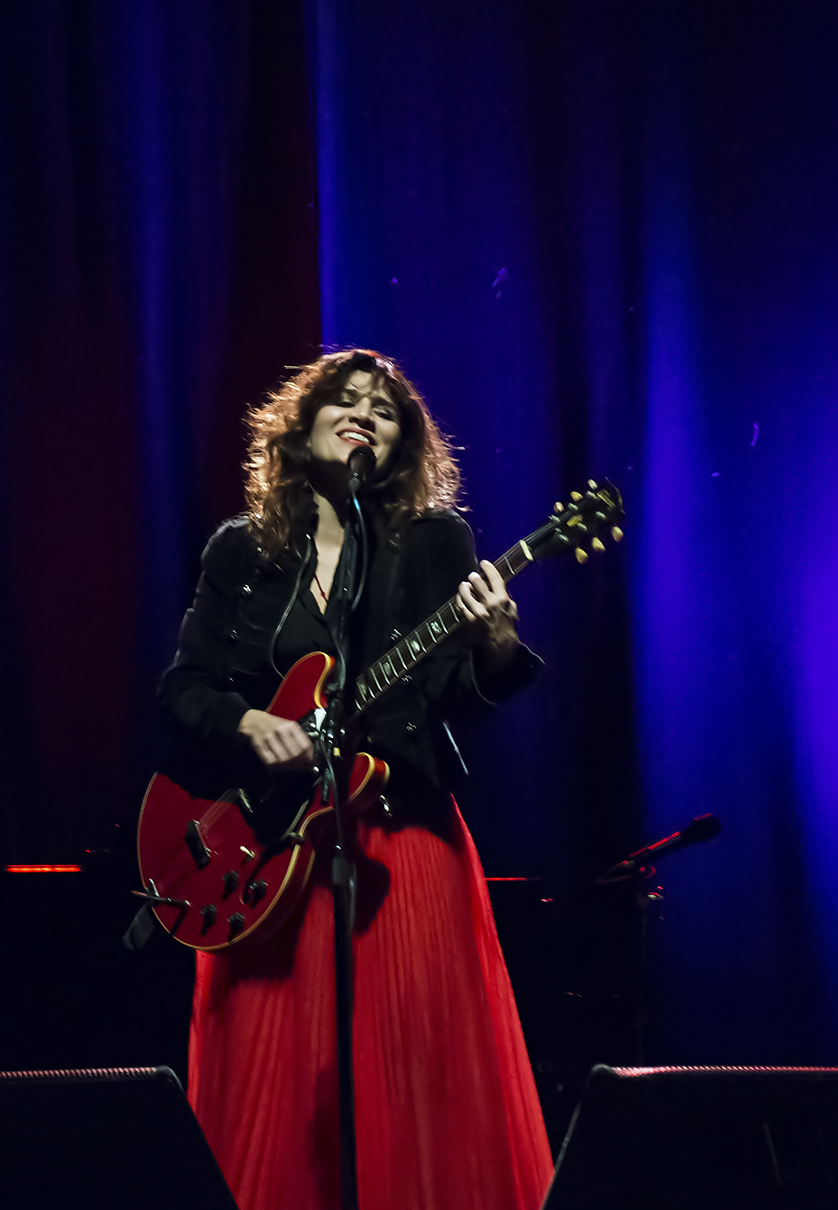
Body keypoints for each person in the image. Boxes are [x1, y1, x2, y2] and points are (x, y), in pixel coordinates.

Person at [157, 348, 554, 1210]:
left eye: (383, 407)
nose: (363, 413)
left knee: (415, 1068)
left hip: (397, 838)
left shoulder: (435, 542)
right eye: (344, 398)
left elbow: (450, 695)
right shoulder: (241, 550)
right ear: (300, 427)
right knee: (275, 1080)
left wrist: (494, 647)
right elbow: (185, 688)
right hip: (268, 851)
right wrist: (249, 722)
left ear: (402, 442)